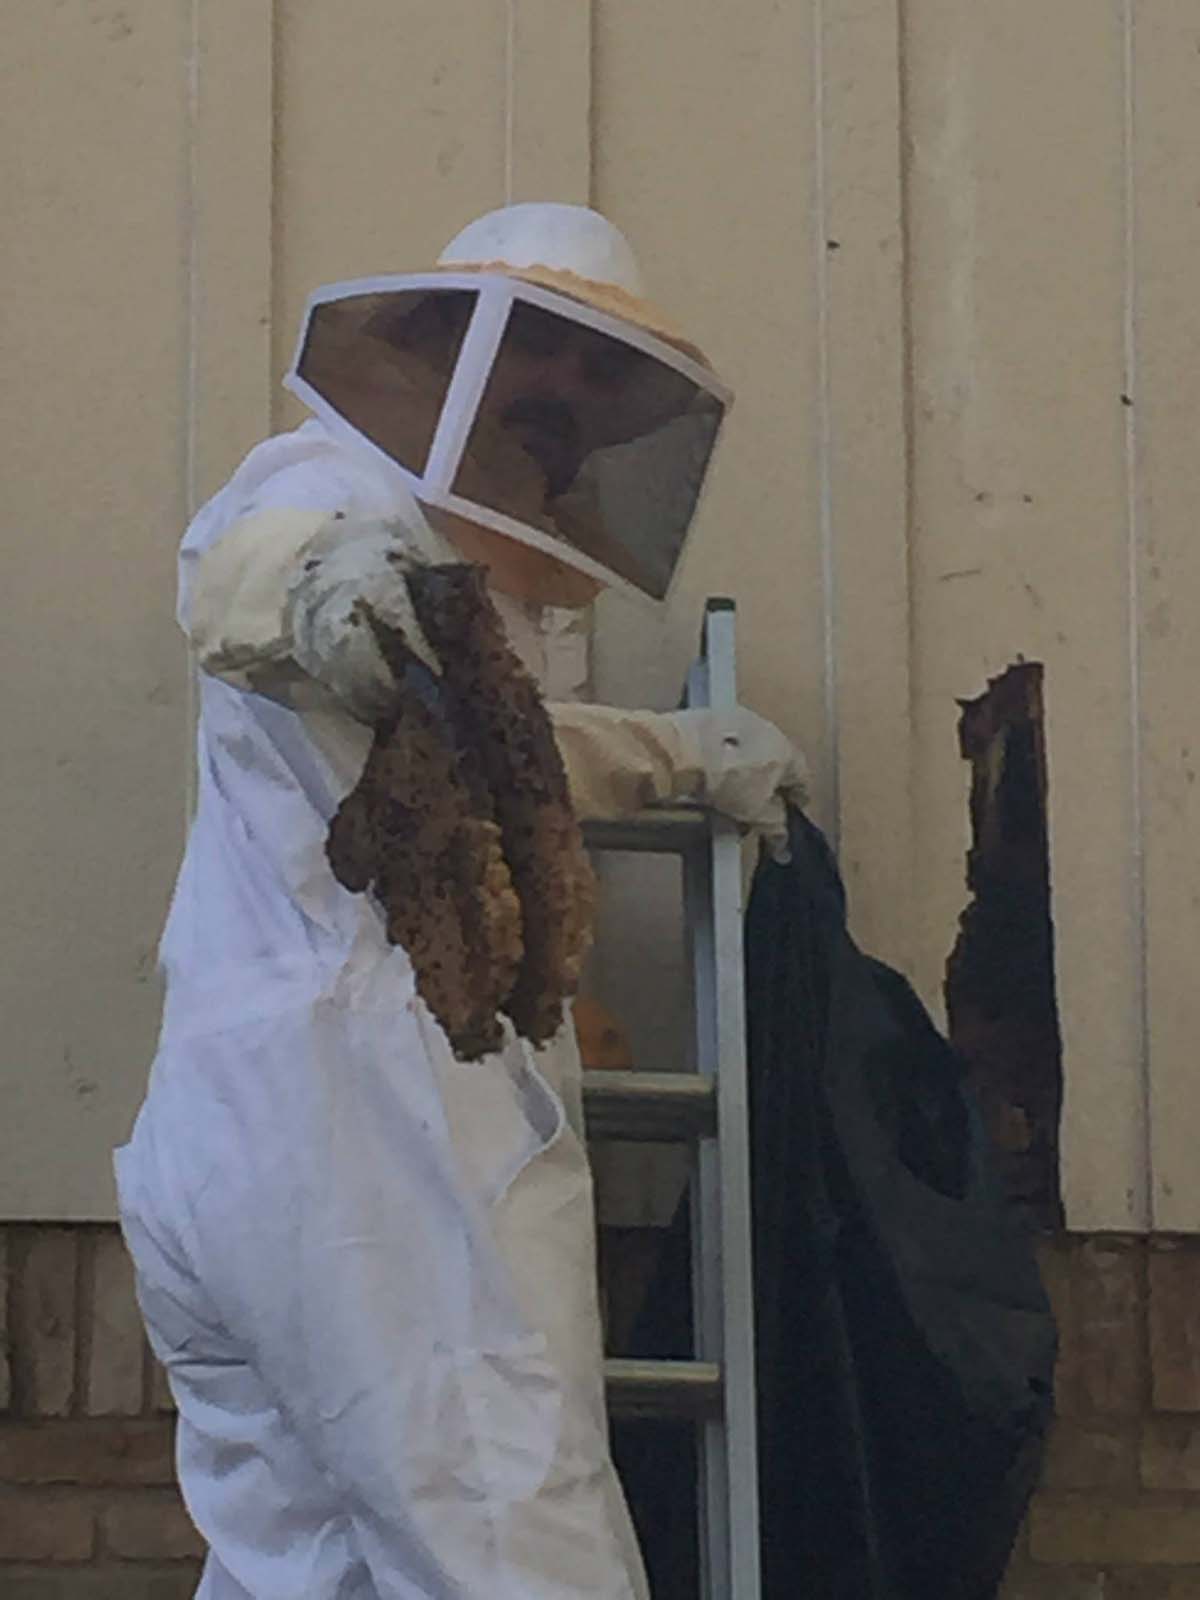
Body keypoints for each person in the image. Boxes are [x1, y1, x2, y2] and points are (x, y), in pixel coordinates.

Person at [116, 201, 807, 1599]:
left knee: (302, 1575)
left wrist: (682, 755)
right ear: (438, 348)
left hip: (244, 1144)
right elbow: (245, 576)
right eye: (533, 356)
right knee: (521, 1559)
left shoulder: (479, 574)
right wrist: (331, 598)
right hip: (378, 1134)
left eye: (586, 380)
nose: (555, 400)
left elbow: (515, 750)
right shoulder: (326, 488)